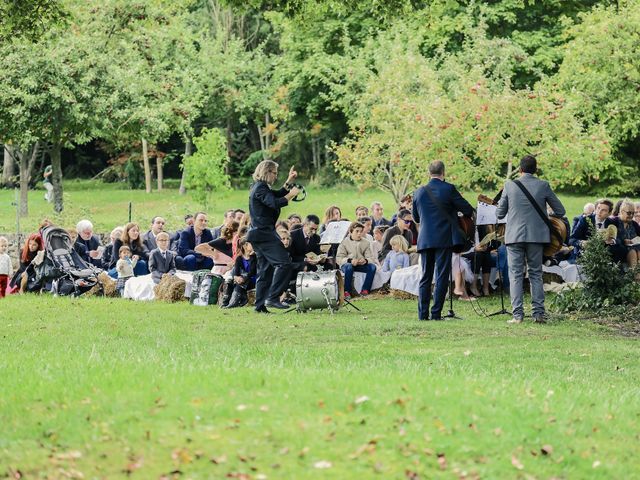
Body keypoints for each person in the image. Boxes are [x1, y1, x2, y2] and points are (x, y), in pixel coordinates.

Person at [496, 155, 566, 324]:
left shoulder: (509, 185)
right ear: (536, 169)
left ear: (520, 170)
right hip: (537, 236)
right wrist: (544, 215)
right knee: (536, 273)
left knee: (515, 275)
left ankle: (517, 315)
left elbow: (499, 214)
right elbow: (561, 210)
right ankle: (538, 314)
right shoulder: (543, 185)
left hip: (514, 236)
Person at [413, 160, 474, 321]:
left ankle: (422, 314)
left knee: (425, 276)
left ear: (429, 173)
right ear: (443, 173)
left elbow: (416, 217)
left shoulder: (418, 192)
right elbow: (467, 209)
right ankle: (436, 314)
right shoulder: (449, 189)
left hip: (425, 239)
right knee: (441, 276)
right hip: (444, 239)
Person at [247, 160, 300, 313]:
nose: (276, 177)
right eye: (274, 173)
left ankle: (259, 306)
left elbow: (275, 194)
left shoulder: (261, 187)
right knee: (284, 264)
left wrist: (288, 182)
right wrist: (291, 195)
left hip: (260, 234)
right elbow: (274, 203)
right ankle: (273, 298)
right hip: (263, 234)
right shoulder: (260, 188)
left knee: (265, 271)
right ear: (266, 172)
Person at [336, 222, 377, 298]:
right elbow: (339, 258)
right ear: (350, 232)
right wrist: (350, 261)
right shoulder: (344, 242)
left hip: (360, 265)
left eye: (361, 231)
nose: (359, 234)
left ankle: (365, 290)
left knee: (372, 267)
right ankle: (346, 291)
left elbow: (370, 258)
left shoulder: (366, 243)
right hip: (347, 265)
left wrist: (366, 261)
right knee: (349, 267)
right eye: (357, 231)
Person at [223, 238, 257, 309]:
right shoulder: (239, 258)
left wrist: (243, 278)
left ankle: (233, 303)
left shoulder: (254, 257)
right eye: (251, 244)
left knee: (240, 284)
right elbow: (236, 272)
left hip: (252, 279)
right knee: (229, 281)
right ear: (245, 246)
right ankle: (225, 303)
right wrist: (236, 277)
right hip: (241, 280)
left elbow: (252, 272)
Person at [616, 200, 640, 274]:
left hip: (636, 248)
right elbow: (612, 237)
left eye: (633, 213)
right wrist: (623, 241)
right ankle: (636, 276)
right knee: (632, 251)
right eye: (629, 213)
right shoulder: (614, 221)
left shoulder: (634, 224)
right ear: (621, 211)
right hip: (621, 248)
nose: (631, 215)